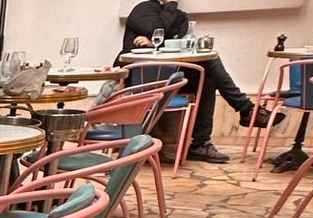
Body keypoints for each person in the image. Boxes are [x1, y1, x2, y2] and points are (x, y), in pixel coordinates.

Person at [120, 0, 283, 163]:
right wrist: (168, 11)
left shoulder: (181, 16)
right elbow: (157, 30)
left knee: (207, 78)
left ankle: (201, 144)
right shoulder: (143, 8)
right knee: (209, 66)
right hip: (140, 80)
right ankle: (247, 110)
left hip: (169, 76)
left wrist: (157, 39)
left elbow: (174, 37)